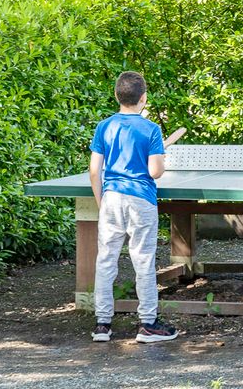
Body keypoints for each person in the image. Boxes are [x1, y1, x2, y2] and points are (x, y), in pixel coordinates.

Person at [88, 71, 184, 343]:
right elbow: (155, 171)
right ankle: (148, 324)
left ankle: (102, 325)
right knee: (143, 260)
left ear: (118, 96)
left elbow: (95, 171)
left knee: (106, 260)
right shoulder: (151, 129)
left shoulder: (103, 126)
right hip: (140, 199)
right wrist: (160, 157)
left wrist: (101, 203)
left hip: (112, 199)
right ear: (143, 98)